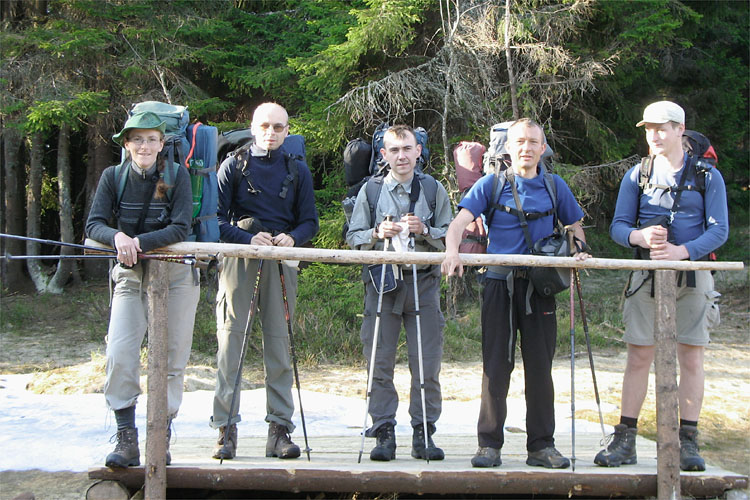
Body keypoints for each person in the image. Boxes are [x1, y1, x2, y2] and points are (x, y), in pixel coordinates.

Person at [441, 118, 590, 469]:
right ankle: (489, 445)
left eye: (533, 142)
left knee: (540, 367)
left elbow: (574, 226)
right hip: (498, 284)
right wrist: (452, 252)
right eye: (520, 142)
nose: (526, 148)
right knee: (496, 364)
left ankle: (541, 446)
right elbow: (458, 224)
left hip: (541, 287)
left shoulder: (555, 186)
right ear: (508, 148)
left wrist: (579, 249)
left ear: (542, 148)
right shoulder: (492, 184)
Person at [595, 101, 728, 471]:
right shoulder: (636, 174)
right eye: (648, 129)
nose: (653, 135)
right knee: (638, 355)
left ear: (679, 129)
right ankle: (626, 439)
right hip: (644, 278)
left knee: (692, 356)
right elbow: (618, 227)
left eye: (661, 128)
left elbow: (719, 230)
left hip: (693, 277)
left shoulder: (707, 176)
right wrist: (640, 236)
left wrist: (681, 251)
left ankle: (687, 441)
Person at [86, 111, 200, 468]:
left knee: (171, 359)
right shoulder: (112, 177)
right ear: (126, 144)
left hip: (176, 273)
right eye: (137, 139)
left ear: (163, 144)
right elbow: (93, 224)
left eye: (152, 139)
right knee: (120, 352)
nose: (144, 145)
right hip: (130, 275)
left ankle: (159, 437)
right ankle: (126, 438)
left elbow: (181, 227)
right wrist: (117, 238)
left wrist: (138, 241)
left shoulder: (178, 175)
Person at [211, 102, 318, 460]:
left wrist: (293, 239)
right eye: (265, 126)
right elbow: (214, 221)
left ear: (288, 131)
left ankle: (280, 430)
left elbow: (309, 222)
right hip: (239, 259)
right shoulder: (233, 166)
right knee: (231, 345)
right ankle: (226, 431)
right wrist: (246, 239)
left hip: (281, 259)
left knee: (279, 345)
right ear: (253, 127)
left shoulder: (297, 170)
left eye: (278, 127)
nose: (271, 133)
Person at [346, 124, 452, 461]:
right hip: (383, 284)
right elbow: (353, 237)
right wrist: (377, 232)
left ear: (418, 150)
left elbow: (452, 236)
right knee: (379, 360)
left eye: (407, 148)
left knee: (427, 362)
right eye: (394, 150)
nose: (402, 155)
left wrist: (427, 230)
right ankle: (384, 432)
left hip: (424, 282)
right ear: (384, 155)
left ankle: (424, 432)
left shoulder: (434, 190)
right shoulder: (371, 192)